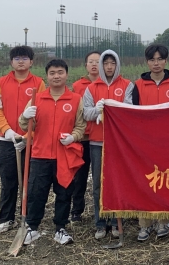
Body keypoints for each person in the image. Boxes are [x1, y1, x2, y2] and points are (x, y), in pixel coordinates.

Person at [19, 59, 86, 246]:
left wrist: (73, 137)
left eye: (60, 72)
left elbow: (81, 126)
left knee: (64, 193)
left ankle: (60, 228)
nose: (56, 76)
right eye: (52, 73)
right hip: (40, 155)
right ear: (47, 76)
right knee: (36, 193)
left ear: (67, 74)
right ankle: (32, 227)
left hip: (64, 156)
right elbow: (24, 125)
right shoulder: (37, 99)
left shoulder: (75, 99)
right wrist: (25, 116)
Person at [0, 45, 45, 234]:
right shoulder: (2, 83)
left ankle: (29, 219)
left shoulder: (38, 83)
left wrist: (27, 136)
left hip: (30, 141)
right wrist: (7, 131)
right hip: (7, 141)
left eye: (24, 58)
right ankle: (6, 219)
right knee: (8, 180)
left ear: (31, 61)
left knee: (30, 181)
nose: (21, 61)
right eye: (17, 58)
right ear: (11, 62)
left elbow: (41, 113)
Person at [132, 44, 169, 241]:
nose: (156, 63)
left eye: (160, 59)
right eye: (152, 59)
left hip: (168, 142)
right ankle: (144, 224)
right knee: (145, 181)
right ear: (147, 62)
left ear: (166, 61)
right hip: (145, 142)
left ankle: (163, 222)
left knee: (165, 180)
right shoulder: (138, 85)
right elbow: (132, 113)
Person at [82, 50, 133, 239]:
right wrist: (97, 110)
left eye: (113, 63)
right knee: (98, 184)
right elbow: (86, 113)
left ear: (117, 64)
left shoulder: (127, 85)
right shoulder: (92, 88)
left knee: (118, 182)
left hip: (119, 143)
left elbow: (129, 109)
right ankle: (100, 223)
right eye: (106, 63)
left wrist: (114, 108)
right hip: (97, 142)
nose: (109, 67)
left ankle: (116, 222)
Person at [69, 50, 101, 223]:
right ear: (86, 65)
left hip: (100, 138)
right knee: (79, 176)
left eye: (98, 61)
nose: (94, 65)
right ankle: (76, 210)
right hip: (82, 138)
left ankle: (104, 210)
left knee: (100, 177)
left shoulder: (107, 84)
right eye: (91, 62)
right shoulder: (77, 86)